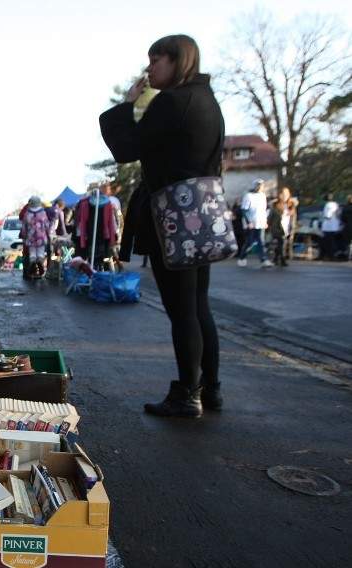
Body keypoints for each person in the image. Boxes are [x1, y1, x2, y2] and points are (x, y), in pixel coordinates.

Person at [100, 34, 224, 417]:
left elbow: (127, 146)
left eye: (156, 60)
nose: (149, 68)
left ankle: (188, 394)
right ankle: (210, 388)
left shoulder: (172, 101)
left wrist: (125, 105)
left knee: (182, 310)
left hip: (174, 215)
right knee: (198, 306)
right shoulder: (207, 101)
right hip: (202, 212)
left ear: (177, 61)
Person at [236, 179, 273, 268]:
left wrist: (265, 221)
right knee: (250, 242)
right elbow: (244, 210)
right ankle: (242, 257)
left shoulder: (263, 196)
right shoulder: (248, 196)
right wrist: (249, 222)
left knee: (261, 241)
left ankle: (263, 259)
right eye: (258, 185)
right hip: (252, 223)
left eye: (261, 186)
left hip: (261, 223)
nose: (260, 187)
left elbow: (263, 210)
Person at [267, 187, 297, 266]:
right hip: (278, 227)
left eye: (286, 194)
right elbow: (270, 216)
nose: (284, 196)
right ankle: (283, 259)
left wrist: (294, 227)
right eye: (282, 194)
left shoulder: (291, 205)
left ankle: (276, 258)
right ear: (279, 195)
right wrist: (268, 225)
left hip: (287, 227)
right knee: (282, 243)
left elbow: (293, 217)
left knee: (281, 244)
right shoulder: (275, 205)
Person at [22, 196, 50, 278]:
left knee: (32, 253)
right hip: (41, 237)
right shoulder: (43, 214)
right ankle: (39, 262)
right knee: (41, 253)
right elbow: (47, 225)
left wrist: (24, 236)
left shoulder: (27, 214)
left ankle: (33, 262)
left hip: (31, 237)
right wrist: (48, 234)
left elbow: (24, 227)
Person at [319, 193, 341, 260]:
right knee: (333, 242)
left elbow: (327, 216)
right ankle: (333, 254)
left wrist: (321, 216)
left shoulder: (327, 205)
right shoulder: (336, 205)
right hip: (335, 226)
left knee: (328, 242)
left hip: (328, 227)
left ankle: (330, 255)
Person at [340, 195, 352, 260]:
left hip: (348, 226)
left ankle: (347, 255)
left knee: (346, 242)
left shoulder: (345, 208)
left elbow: (342, 219)